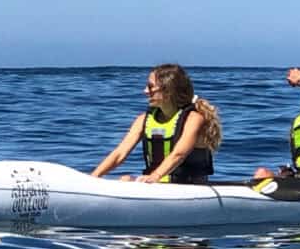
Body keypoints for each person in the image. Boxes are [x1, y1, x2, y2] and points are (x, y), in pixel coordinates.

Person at [92, 64, 221, 184]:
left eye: (150, 86)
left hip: (187, 186)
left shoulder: (193, 119)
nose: (145, 91)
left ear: (168, 90)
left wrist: (155, 176)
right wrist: (94, 177)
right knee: (124, 179)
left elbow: (179, 154)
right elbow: (120, 153)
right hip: (156, 184)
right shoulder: (143, 120)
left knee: (127, 179)